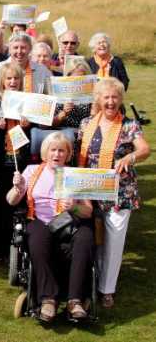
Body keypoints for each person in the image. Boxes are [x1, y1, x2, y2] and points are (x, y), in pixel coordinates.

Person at [77, 78, 150, 308]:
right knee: (90, 238)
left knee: (114, 241)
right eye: (106, 97)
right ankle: (90, 279)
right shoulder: (86, 123)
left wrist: (130, 157)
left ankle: (107, 289)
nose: (110, 102)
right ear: (98, 99)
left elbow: (145, 149)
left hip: (119, 191)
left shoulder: (129, 125)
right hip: (89, 188)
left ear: (121, 99)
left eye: (115, 97)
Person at [6, 132, 95, 322]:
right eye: (53, 150)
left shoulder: (76, 174)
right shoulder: (31, 171)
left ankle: (75, 300)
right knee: (38, 236)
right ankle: (48, 300)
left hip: (69, 222)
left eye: (62, 150)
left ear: (68, 154)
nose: (57, 154)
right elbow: (11, 201)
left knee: (86, 237)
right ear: (45, 153)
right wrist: (18, 188)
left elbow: (88, 211)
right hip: (40, 220)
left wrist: (75, 207)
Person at [0, 63, 30, 262]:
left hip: (21, 161)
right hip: (1, 162)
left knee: (18, 206)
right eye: (9, 78)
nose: (12, 82)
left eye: (16, 78)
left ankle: (19, 249)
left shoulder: (27, 102)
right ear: (2, 81)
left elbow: (35, 131)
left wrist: (28, 124)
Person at [0, 32, 52, 103]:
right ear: (9, 49)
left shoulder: (43, 71)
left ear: (30, 49)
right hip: (3, 112)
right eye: (15, 48)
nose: (19, 51)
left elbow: (52, 97)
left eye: (23, 48)